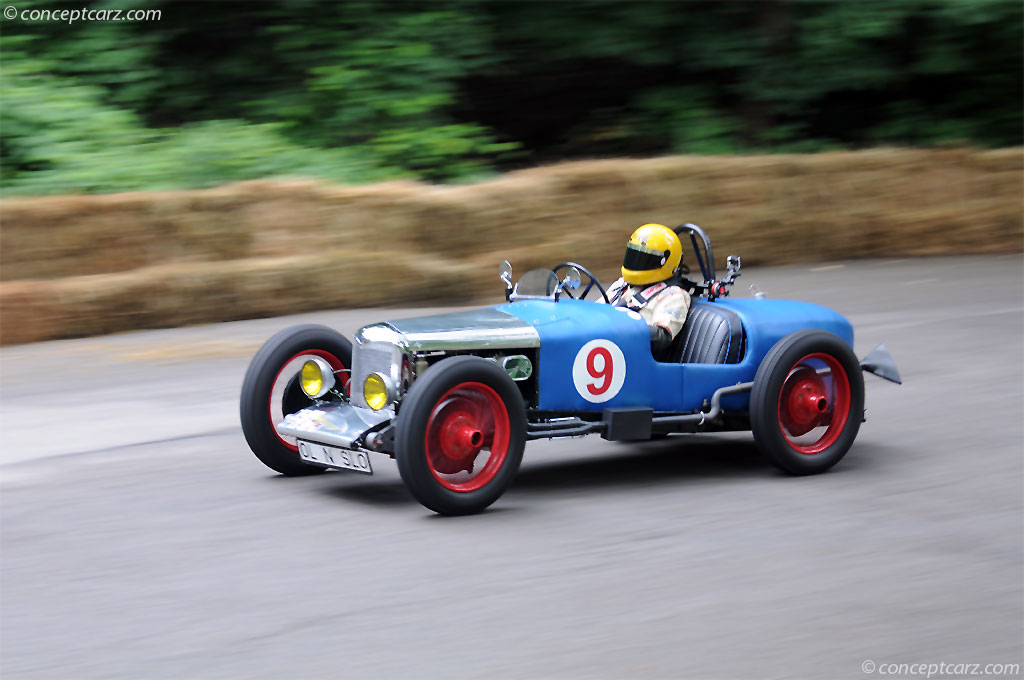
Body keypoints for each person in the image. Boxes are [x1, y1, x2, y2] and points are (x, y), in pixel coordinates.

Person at [604, 223, 691, 354]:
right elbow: (596, 312)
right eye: (634, 255)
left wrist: (622, 327)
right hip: (605, 347)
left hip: (635, 358)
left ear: (665, 262)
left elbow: (662, 337)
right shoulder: (621, 285)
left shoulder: (673, 295)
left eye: (646, 258)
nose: (637, 262)